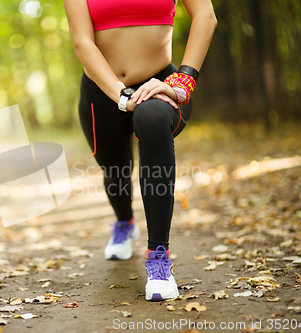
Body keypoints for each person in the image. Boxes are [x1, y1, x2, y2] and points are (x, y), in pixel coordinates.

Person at [64, 0, 217, 301]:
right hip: (102, 89)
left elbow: (206, 16)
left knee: (152, 117)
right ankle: (125, 223)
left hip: (160, 84)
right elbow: (83, 42)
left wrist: (183, 81)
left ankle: (158, 255)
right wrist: (121, 96)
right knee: (115, 170)